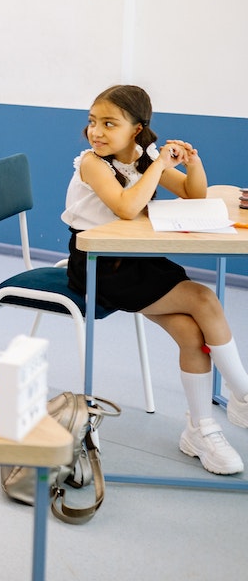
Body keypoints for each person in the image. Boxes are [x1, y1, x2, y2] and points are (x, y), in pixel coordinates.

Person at [62, 84, 248, 475]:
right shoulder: (92, 163)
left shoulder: (140, 156)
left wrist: (192, 164)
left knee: (191, 333)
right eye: (93, 121)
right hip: (98, 264)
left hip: (134, 260)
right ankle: (242, 394)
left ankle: (201, 429)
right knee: (203, 300)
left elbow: (193, 196)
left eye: (108, 123)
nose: (96, 131)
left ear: (136, 128)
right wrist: (159, 166)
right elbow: (128, 208)